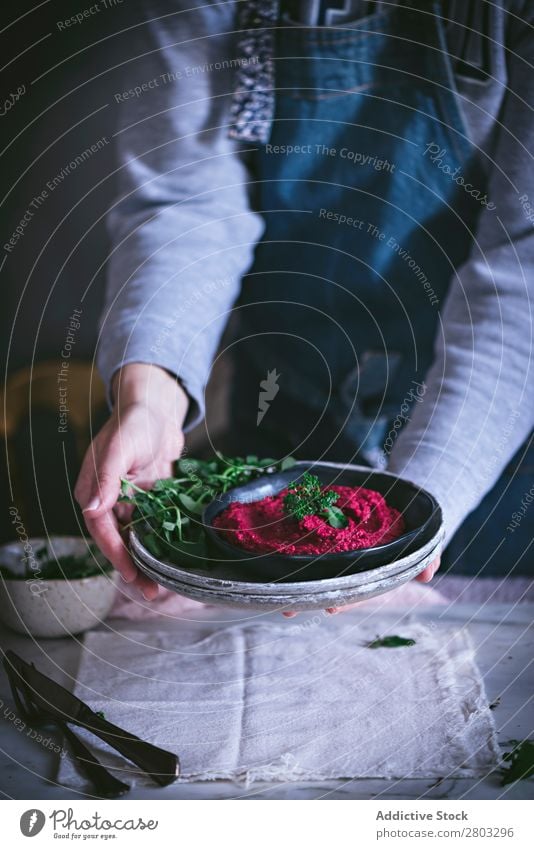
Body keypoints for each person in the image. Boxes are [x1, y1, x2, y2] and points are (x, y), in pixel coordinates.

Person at [75, 0, 534, 603]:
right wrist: (151, 399)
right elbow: (184, 202)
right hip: (283, 416)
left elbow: (521, 272)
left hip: (480, 449)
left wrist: (410, 520)